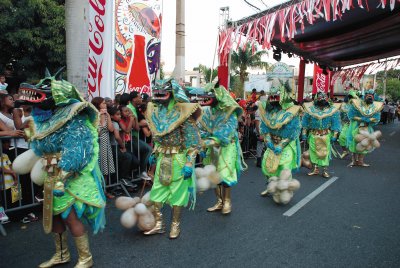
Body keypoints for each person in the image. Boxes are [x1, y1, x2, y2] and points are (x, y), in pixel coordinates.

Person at [13, 71, 105, 267]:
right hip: (50, 176)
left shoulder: (74, 119)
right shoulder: (42, 121)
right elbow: (40, 149)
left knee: (70, 217)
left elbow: (79, 152)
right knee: (53, 216)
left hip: (69, 178)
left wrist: (63, 177)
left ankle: (85, 258)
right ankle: (61, 254)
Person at [143, 79, 201, 239]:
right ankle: (158, 224)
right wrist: (154, 154)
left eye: (164, 91)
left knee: (178, 193)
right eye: (157, 92)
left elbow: (193, 142)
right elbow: (157, 138)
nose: (160, 94)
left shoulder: (184, 113)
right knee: (156, 192)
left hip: (178, 159)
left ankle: (175, 225)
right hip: (162, 158)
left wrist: (189, 161)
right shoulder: (155, 112)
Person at [190, 82, 246, 214]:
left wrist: (205, 143)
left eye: (209, 95)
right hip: (212, 147)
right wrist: (202, 145)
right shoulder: (206, 112)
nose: (205, 97)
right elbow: (202, 130)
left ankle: (227, 202)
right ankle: (219, 201)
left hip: (227, 146)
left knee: (224, 174)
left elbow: (225, 134)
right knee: (213, 174)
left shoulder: (230, 112)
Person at [258, 86, 301, 202]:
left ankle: (285, 190)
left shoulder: (292, 112)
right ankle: (271, 187)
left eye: (275, 96)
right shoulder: (267, 112)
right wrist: (269, 142)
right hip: (272, 144)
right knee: (268, 168)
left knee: (284, 168)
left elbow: (292, 133)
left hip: (285, 146)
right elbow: (265, 129)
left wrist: (281, 145)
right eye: (271, 96)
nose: (272, 99)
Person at [302, 91, 341, 178]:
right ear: (316, 99)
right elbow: (305, 122)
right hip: (313, 135)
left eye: (324, 97)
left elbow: (336, 123)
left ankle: (325, 170)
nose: (322, 99)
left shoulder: (332, 111)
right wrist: (304, 133)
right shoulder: (310, 110)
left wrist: (335, 135)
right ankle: (315, 169)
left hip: (325, 135)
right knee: (313, 152)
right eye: (320, 97)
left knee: (325, 153)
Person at [347, 89, 383, 167]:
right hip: (356, 126)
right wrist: (362, 119)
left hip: (367, 127)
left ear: (373, 97)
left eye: (371, 95)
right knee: (354, 143)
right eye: (368, 95)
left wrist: (369, 120)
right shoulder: (356, 104)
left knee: (365, 144)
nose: (370, 97)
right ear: (365, 96)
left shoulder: (375, 106)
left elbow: (376, 117)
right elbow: (351, 115)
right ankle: (353, 161)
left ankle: (360, 161)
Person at [91, 97, 115, 199]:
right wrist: (99, 117)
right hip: (97, 144)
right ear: (98, 105)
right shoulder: (93, 116)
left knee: (105, 168)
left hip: (105, 143)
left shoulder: (106, 115)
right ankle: (97, 191)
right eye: (103, 103)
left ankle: (104, 190)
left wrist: (108, 116)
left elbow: (111, 129)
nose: (105, 105)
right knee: (97, 168)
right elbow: (97, 132)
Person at [108, 106, 139, 185]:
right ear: (111, 116)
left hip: (117, 146)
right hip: (114, 147)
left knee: (135, 161)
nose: (120, 116)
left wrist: (133, 119)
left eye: (119, 114)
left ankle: (124, 177)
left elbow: (134, 128)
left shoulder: (117, 122)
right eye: (117, 115)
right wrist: (123, 147)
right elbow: (117, 137)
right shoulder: (114, 124)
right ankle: (123, 178)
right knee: (127, 158)